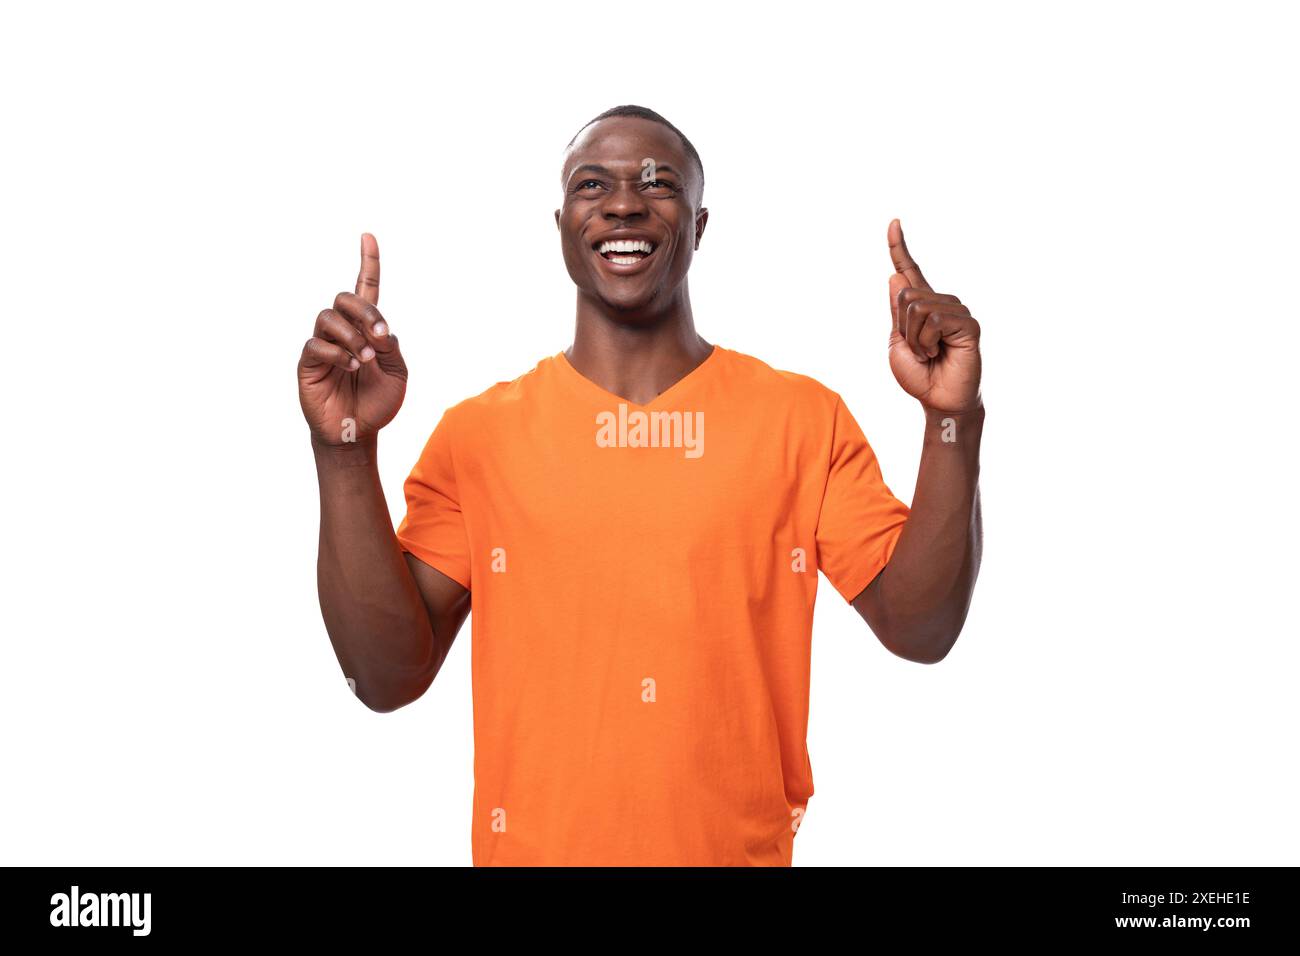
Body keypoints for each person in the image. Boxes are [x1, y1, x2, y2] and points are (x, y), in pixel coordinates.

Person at [296, 105, 984, 866]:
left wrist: (952, 420)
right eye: (594, 185)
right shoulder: (479, 437)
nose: (624, 202)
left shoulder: (800, 420)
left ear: (699, 225)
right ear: (561, 224)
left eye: (657, 185)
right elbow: (384, 677)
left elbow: (922, 630)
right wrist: (344, 451)